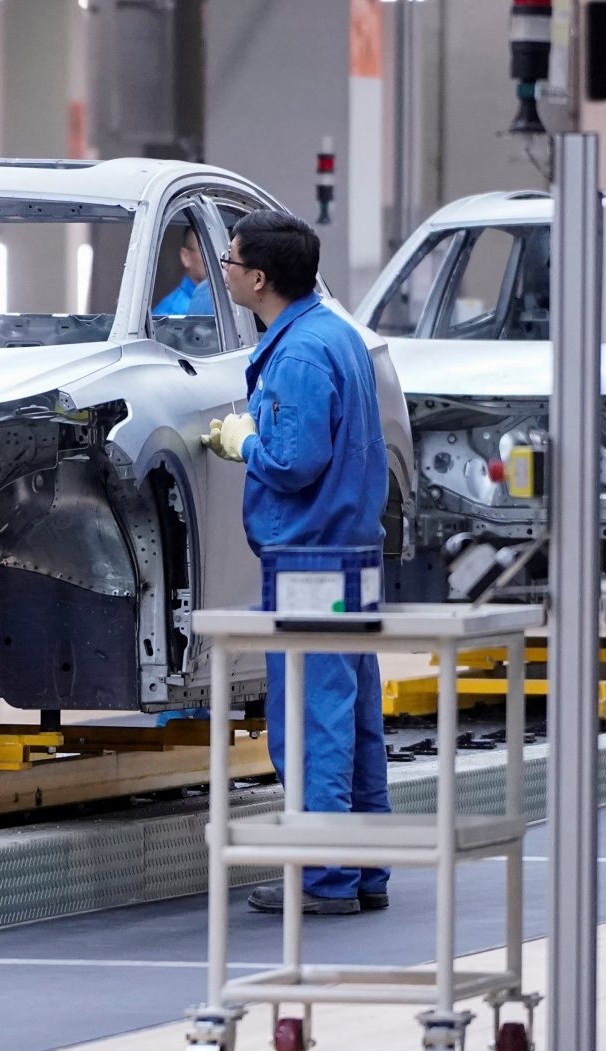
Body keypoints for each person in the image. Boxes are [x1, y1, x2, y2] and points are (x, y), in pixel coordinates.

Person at [201, 209, 391, 916]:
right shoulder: (335, 335)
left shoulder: (302, 354)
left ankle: (322, 878)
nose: (221, 271)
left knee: (311, 724)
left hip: (311, 559)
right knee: (353, 718)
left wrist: (243, 443)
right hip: (350, 556)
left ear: (257, 277)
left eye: (228, 261)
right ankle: (364, 867)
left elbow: (294, 458)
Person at [152, 225, 215, 317]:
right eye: (206, 250)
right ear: (186, 257)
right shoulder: (172, 315)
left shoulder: (223, 298)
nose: (215, 258)